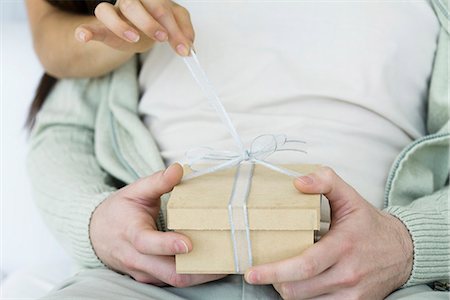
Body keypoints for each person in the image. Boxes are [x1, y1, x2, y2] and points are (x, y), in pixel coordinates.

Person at [25, 0, 449, 299]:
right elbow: (63, 132)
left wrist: (406, 245)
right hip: (151, 281)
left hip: (379, 285)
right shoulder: (139, 13)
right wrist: (98, 224)